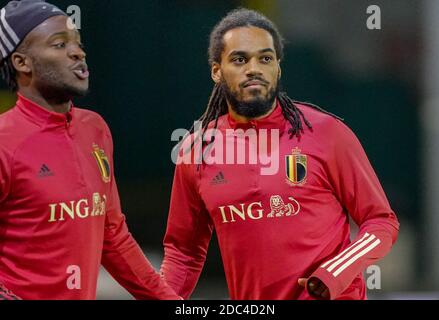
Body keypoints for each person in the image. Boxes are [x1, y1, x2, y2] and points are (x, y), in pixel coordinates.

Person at [160, 8, 400, 300]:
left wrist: (335, 273)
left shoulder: (327, 132)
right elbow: (183, 252)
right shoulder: (197, 150)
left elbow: (381, 221)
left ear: (278, 68)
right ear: (216, 71)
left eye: (265, 58)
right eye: (239, 59)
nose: (254, 68)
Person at [0, 0, 180, 300]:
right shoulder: (5, 141)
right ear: (22, 62)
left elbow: (114, 237)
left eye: (77, 43)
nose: (78, 52)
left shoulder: (94, 129)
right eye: (59, 45)